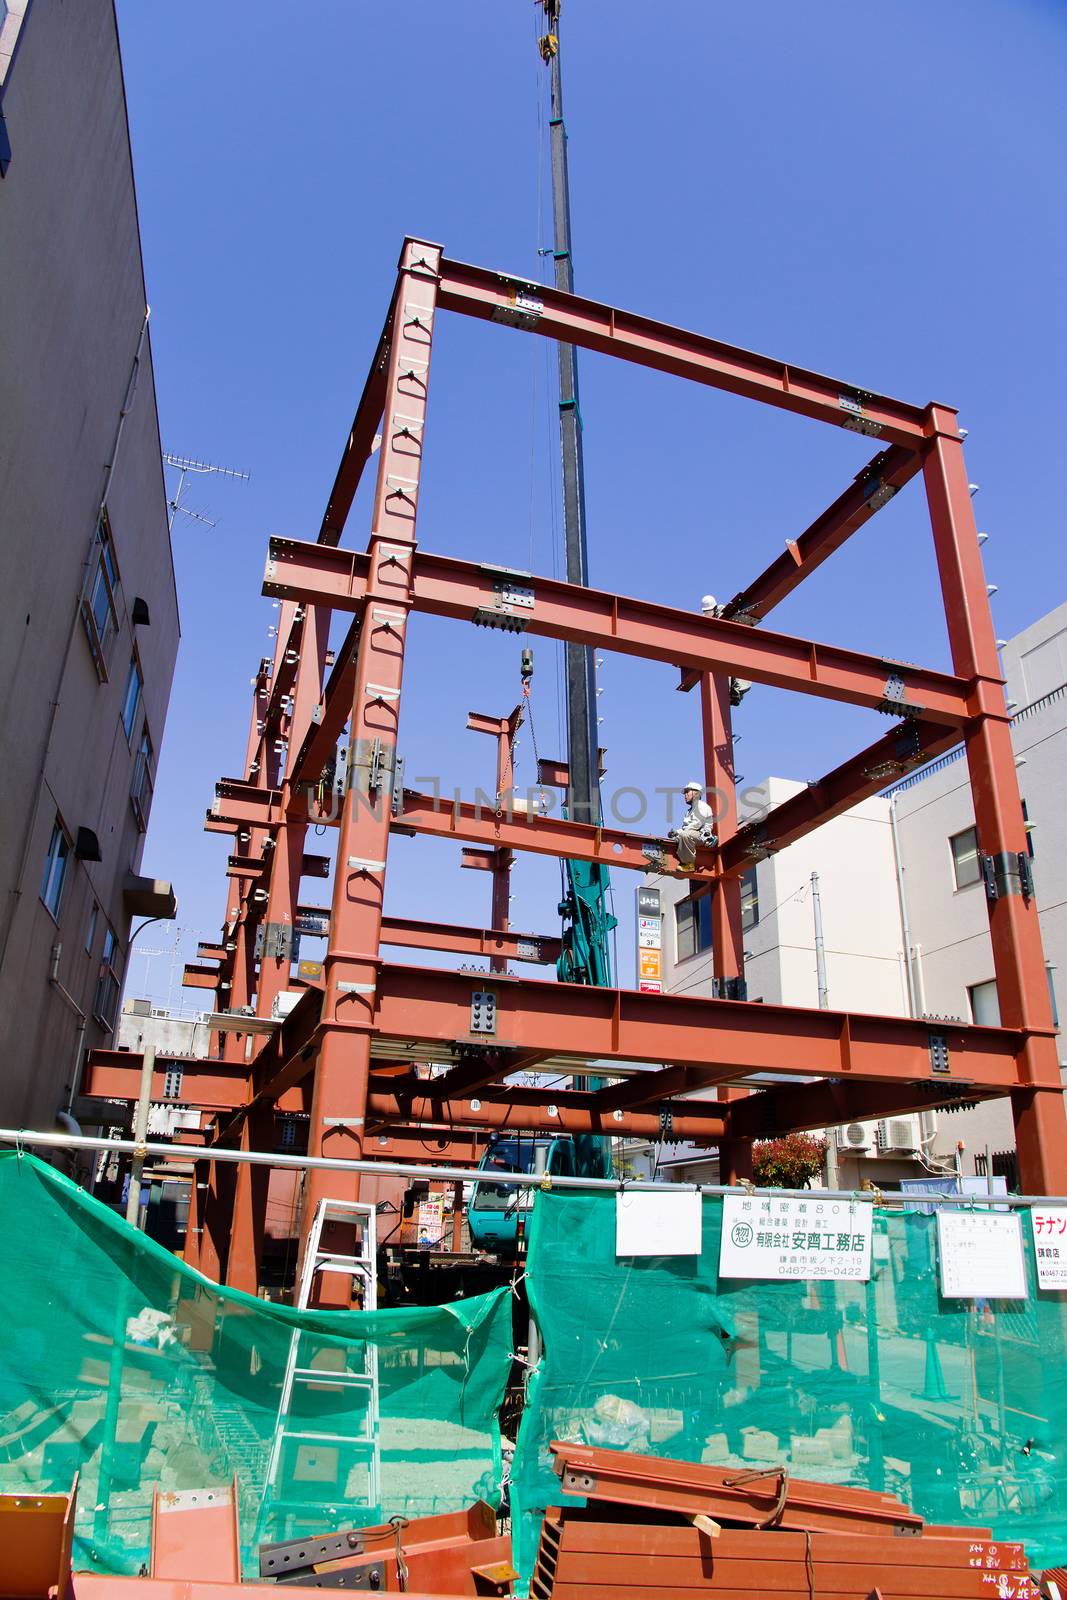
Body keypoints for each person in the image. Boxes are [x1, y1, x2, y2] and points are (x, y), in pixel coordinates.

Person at [669, 780, 717, 870]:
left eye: (687, 792)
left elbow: (695, 825)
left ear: (696, 793)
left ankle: (688, 864)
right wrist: (675, 834)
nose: (685, 795)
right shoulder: (689, 811)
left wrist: (679, 833)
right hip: (694, 835)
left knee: (684, 835)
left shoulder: (701, 806)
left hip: (701, 836)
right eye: (685, 793)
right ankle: (685, 858)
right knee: (679, 837)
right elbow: (686, 827)